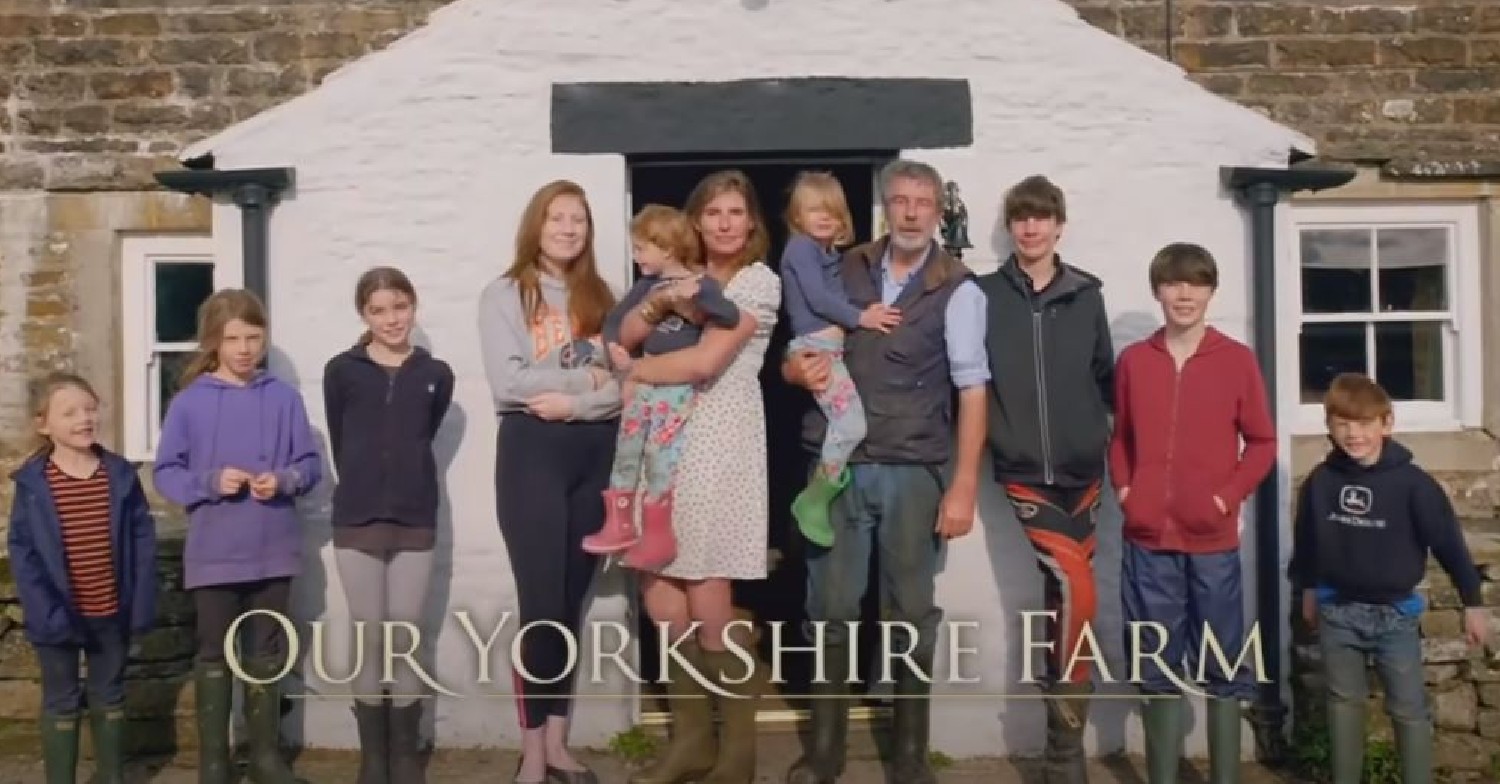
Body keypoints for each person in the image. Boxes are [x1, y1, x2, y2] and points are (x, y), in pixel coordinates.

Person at [782, 159, 989, 784]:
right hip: (836, 466)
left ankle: (909, 758)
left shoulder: (959, 287)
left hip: (912, 469)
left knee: (910, 611)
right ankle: (823, 757)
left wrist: (963, 484)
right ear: (884, 206)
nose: (909, 212)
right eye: (898, 200)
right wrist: (794, 371)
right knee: (830, 609)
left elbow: (973, 391)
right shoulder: (838, 263)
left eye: (922, 202)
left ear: (936, 211)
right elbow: (796, 347)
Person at [607, 169, 779, 784]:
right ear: (696, 221)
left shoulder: (760, 283)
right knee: (657, 575)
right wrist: (651, 308)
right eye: (714, 213)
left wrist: (635, 373)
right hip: (659, 440)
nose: (726, 223)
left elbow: (706, 360)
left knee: (706, 578)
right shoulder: (671, 276)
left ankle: (737, 752)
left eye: (736, 212)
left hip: (720, 439)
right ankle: (690, 741)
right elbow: (621, 332)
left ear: (752, 222)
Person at [1107, 243, 1276, 784]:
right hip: (1147, 540)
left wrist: (1225, 499)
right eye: (1174, 284)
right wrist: (1127, 490)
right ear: (1158, 290)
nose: (1184, 294)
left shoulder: (1237, 359)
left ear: (1210, 291)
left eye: (1196, 284)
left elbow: (1263, 443)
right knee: (1154, 664)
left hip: (1213, 542)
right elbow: (1122, 439)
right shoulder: (1135, 361)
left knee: (1223, 663)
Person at [477, 179, 620, 784]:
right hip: (531, 452)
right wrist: (582, 381)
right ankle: (532, 753)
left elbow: (619, 386)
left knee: (569, 607)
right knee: (539, 605)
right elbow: (508, 383)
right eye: (557, 218)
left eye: (578, 220)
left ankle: (559, 745)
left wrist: (580, 401)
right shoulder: (506, 294)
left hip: (592, 450)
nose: (568, 229)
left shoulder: (603, 298)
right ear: (536, 225)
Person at [975, 174, 1115, 782]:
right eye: (1021, 218)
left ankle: (1063, 750)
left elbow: (1104, 375)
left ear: (1059, 225)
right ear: (1011, 227)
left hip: (1084, 471)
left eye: (1042, 218)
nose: (1031, 228)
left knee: (1063, 600)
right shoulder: (981, 294)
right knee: (1079, 588)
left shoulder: (1087, 294)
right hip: (1024, 470)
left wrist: (1100, 438)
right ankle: (1065, 754)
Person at [153, 288, 323, 784]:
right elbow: (166, 472)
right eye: (233, 338)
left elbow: (309, 465)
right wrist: (208, 483)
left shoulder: (284, 398)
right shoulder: (189, 403)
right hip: (214, 552)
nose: (245, 348)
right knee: (214, 652)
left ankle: (265, 758)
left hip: (273, 550)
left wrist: (286, 480)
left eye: (254, 336)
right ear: (213, 341)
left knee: (266, 651)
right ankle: (214, 762)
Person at [1289, 372, 1486, 784]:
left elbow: (1449, 544)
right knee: (1343, 704)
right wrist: (1307, 588)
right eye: (1342, 424)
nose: (1353, 434)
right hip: (1337, 611)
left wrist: (1472, 603)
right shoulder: (1321, 483)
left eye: (1363, 424)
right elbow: (1307, 541)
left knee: (1408, 708)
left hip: (1395, 616)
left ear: (1387, 424)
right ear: (1329, 427)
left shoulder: (1414, 486)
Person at [323, 266, 454, 784]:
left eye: (399, 306)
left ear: (413, 306)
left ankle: (405, 759)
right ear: (364, 315)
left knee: (405, 634)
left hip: (415, 516)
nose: (391, 319)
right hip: (356, 517)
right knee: (369, 634)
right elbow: (340, 436)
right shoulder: (342, 371)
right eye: (378, 310)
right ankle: (373, 760)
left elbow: (426, 430)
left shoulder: (435, 374)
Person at [7, 372, 158, 784]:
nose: (84, 419)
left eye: (90, 409)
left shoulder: (120, 476)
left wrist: (140, 604)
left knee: (109, 696)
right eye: (69, 412)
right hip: (56, 616)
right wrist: (43, 611)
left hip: (111, 611)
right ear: (44, 424)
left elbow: (142, 543)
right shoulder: (34, 484)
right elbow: (23, 552)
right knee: (61, 701)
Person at [581, 204, 741, 570]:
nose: (635, 256)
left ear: (666, 248)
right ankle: (618, 523)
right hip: (644, 383)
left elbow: (729, 315)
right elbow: (614, 322)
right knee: (627, 449)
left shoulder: (701, 283)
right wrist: (615, 350)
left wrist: (696, 298)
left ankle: (658, 536)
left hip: (675, 386)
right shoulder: (645, 287)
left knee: (659, 455)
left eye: (641, 248)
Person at [779, 171, 901, 547]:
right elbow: (817, 298)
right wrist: (862, 317)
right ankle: (815, 499)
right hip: (817, 349)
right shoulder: (800, 248)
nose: (824, 217)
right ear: (798, 215)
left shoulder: (826, 254)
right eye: (814, 209)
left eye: (832, 210)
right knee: (850, 425)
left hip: (829, 348)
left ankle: (819, 495)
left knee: (847, 422)